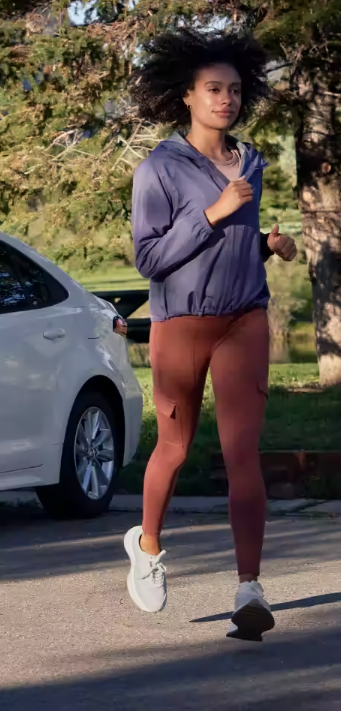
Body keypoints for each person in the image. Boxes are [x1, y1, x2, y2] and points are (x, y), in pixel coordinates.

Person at [124, 28, 298, 642]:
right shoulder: (159, 169)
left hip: (244, 318)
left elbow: (234, 245)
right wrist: (212, 213)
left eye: (235, 90)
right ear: (187, 97)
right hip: (181, 324)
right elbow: (150, 259)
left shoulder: (250, 161)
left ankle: (250, 588)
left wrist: (267, 245)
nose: (226, 99)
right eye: (213, 89)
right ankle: (147, 547)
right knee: (174, 448)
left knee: (241, 453)